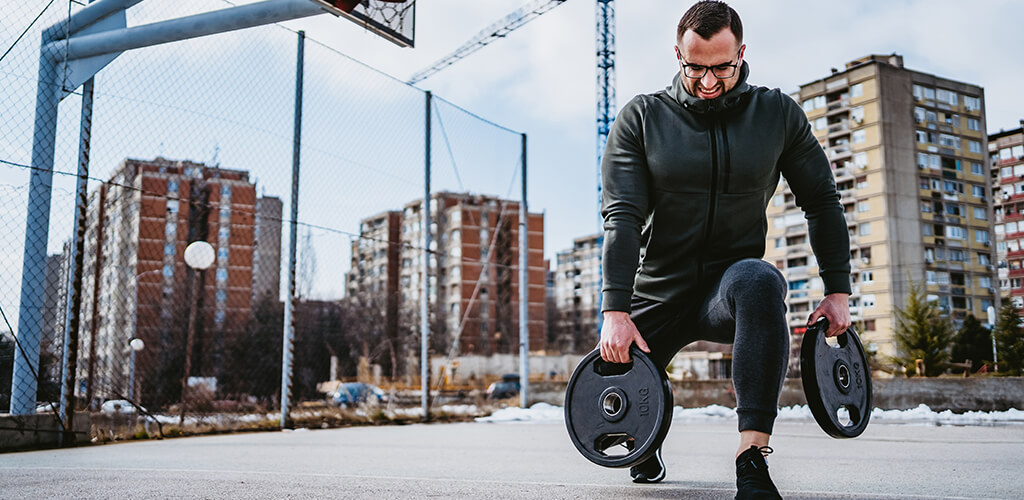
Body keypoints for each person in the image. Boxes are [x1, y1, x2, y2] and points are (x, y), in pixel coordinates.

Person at [598, 1, 851, 498]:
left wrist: (838, 291)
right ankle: (644, 442)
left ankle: (751, 457)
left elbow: (822, 201)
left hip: (727, 284)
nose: (709, 81)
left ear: (741, 53)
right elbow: (622, 217)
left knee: (760, 279)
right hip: (660, 286)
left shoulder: (775, 113)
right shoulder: (642, 118)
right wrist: (615, 310)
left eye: (722, 67)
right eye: (695, 68)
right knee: (614, 407)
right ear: (677, 55)